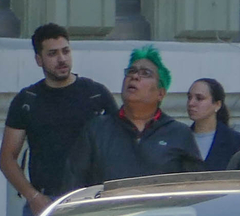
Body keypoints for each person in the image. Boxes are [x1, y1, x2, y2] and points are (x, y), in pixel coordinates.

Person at [0, 23, 115, 216]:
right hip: (45, 205)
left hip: (90, 203)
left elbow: (118, 149)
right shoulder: (27, 101)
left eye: (66, 51)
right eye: (52, 53)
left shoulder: (96, 95)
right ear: (38, 60)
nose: (62, 59)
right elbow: (7, 158)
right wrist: (33, 197)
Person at [63, 46, 202, 190]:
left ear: (160, 93)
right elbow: (73, 186)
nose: (134, 76)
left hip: (159, 212)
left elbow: (196, 191)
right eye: (131, 71)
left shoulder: (179, 134)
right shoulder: (97, 130)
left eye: (145, 73)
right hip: (109, 212)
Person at [186, 76, 240, 170]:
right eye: (189, 97)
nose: (191, 103)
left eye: (199, 98)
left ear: (217, 104)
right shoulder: (180, 139)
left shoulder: (239, 142)